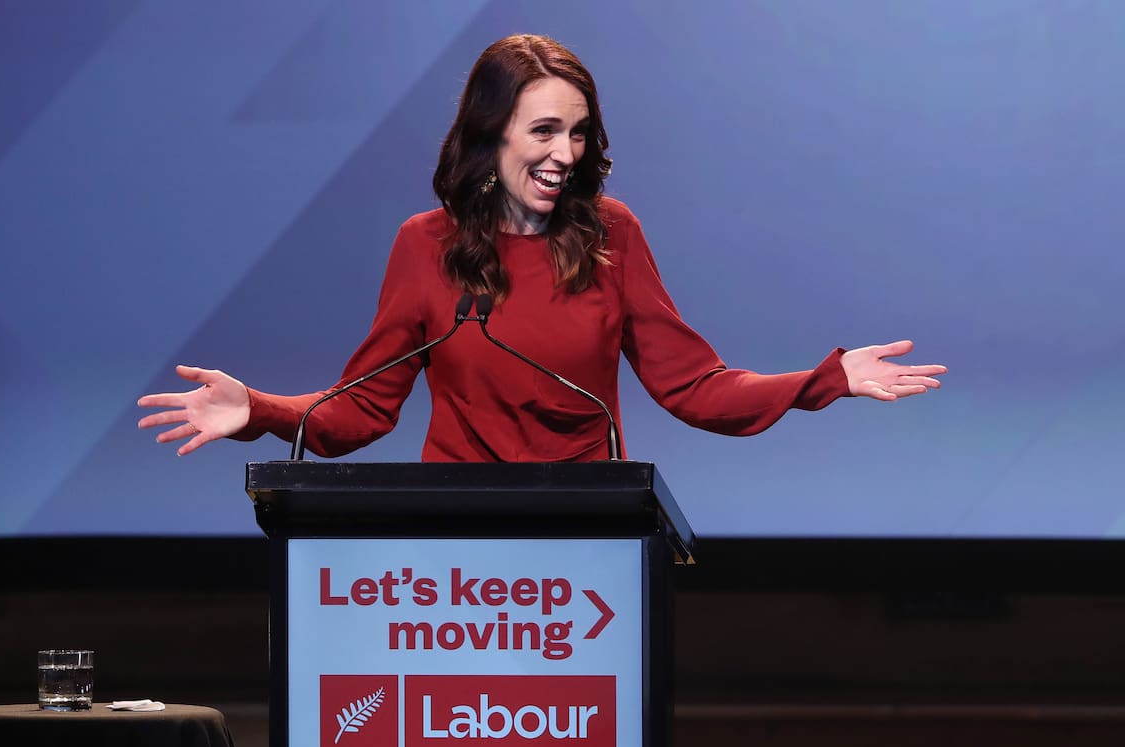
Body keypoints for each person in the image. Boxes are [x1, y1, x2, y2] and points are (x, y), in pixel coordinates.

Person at [138, 34, 945, 461]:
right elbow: (363, 409)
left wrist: (823, 380)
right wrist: (260, 412)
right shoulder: (425, 248)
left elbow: (695, 386)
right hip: (448, 564)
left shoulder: (612, 236)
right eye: (545, 129)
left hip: (584, 550)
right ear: (491, 137)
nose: (566, 151)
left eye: (580, 131)